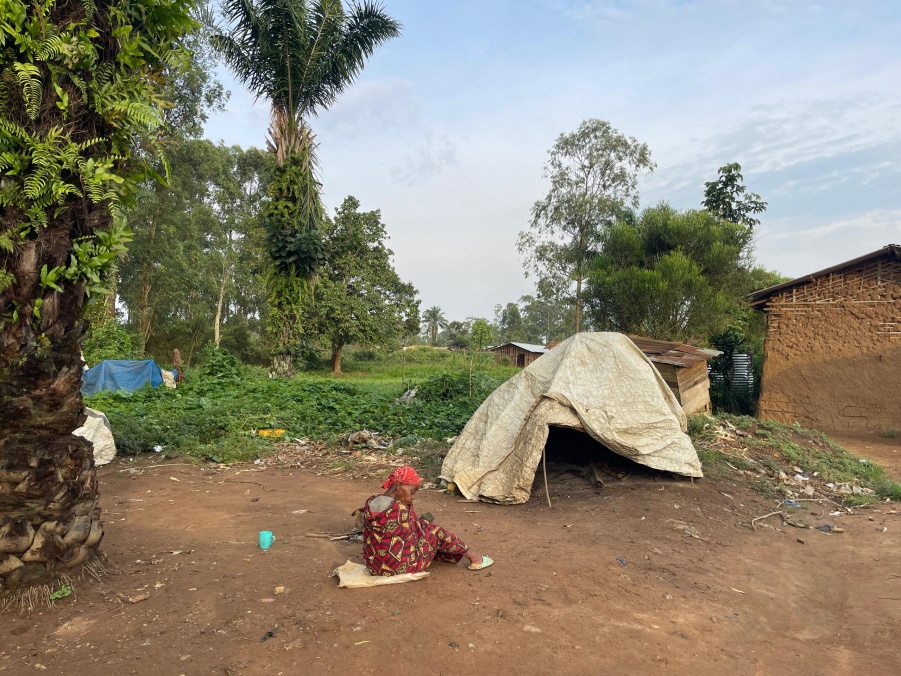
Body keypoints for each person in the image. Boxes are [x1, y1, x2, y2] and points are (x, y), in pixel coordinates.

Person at [361, 466, 494, 576]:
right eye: (412, 492)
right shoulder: (400, 509)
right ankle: (475, 558)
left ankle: (457, 554)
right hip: (399, 569)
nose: (412, 497)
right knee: (435, 531)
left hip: (375, 568)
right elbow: (414, 532)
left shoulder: (371, 501)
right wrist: (426, 528)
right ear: (399, 486)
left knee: (424, 528)